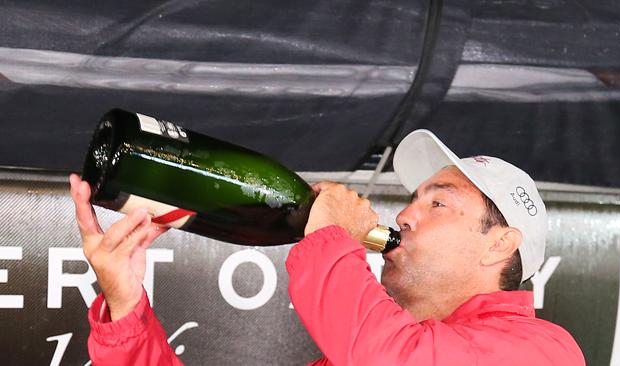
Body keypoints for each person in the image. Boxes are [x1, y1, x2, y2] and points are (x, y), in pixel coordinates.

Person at [70, 129, 585, 365]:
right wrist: (126, 304)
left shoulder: (541, 352)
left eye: (438, 204)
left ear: (499, 244)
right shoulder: (350, 355)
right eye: (412, 199)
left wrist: (327, 234)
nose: (405, 214)